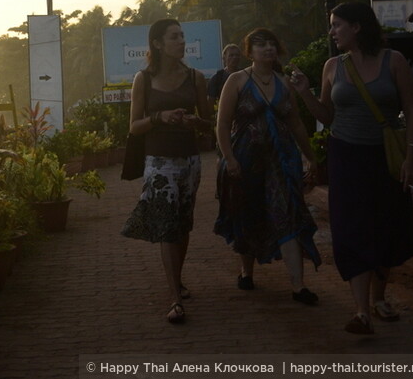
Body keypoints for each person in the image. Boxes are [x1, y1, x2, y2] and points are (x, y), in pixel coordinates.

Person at [290, 2, 413, 335]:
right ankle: (361, 311)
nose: (332, 32)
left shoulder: (395, 61)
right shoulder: (333, 66)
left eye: (337, 25)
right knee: (351, 230)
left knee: (386, 227)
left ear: (357, 26)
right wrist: (305, 94)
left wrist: (412, 156)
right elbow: (328, 117)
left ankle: (379, 298)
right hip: (346, 158)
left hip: (385, 158)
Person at [214, 28, 321, 304]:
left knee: (287, 214)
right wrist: (229, 158)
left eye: (272, 44)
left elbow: (295, 122)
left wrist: (310, 156)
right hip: (245, 161)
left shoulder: (284, 82)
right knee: (248, 215)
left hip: (281, 161)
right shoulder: (237, 81)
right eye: (261, 45)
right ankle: (245, 272)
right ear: (250, 52)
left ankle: (298, 287)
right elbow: (223, 124)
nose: (268, 49)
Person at [121, 18, 213, 324]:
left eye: (183, 36)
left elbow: (207, 122)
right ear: (157, 44)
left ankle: (179, 279)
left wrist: (192, 122)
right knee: (166, 226)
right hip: (159, 161)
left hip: (189, 160)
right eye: (174, 37)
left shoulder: (195, 77)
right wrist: (160, 117)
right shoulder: (143, 79)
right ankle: (175, 298)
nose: (182, 41)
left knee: (182, 224)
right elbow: (134, 127)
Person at [208, 43, 242, 108]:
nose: (234, 57)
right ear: (224, 57)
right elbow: (211, 102)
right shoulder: (217, 78)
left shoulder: (246, 75)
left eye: (237, 55)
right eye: (231, 55)